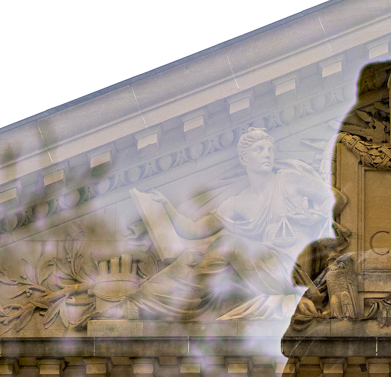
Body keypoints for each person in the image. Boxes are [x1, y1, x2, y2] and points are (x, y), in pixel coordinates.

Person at [131, 127, 334, 319]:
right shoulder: (240, 202)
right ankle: (177, 302)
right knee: (203, 255)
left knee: (229, 246)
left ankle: (179, 303)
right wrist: (168, 205)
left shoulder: (289, 179)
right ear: (244, 158)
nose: (268, 154)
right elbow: (194, 230)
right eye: (259, 149)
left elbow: (333, 199)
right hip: (267, 269)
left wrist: (315, 216)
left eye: (270, 149)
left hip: (296, 268)